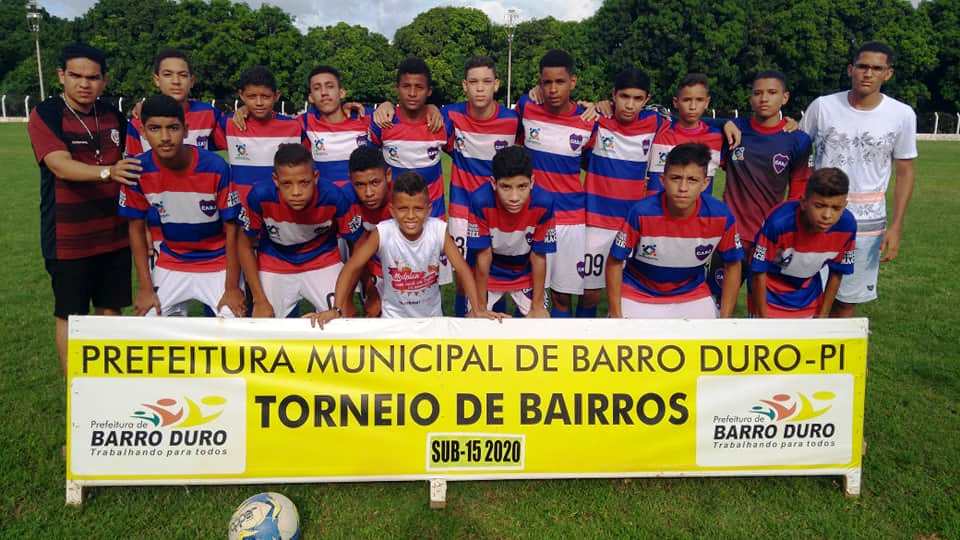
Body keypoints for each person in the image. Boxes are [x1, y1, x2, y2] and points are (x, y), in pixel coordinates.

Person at [373, 56, 520, 316]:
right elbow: (417, 113)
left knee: (496, 275)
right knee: (463, 278)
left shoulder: (513, 119)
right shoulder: (449, 116)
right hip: (462, 211)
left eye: (486, 81)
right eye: (474, 81)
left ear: (497, 84)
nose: (480, 87)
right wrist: (389, 104)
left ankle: (500, 337)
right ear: (465, 85)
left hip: (502, 211)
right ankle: (462, 333)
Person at [27, 43, 140, 372]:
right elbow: (59, 165)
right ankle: (74, 386)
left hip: (115, 233)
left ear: (104, 81)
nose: (84, 83)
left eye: (93, 77)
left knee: (112, 309)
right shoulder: (46, 113)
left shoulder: (111, 114)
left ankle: (108, 380)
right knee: (71, 314)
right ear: (61, 75)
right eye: (75, 75)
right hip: (67, 237)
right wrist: (108, 172)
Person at [799, 41, 917, 317]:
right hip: (816, 216)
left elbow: (905, 172)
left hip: (867, 223)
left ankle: (834, 355)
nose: (868, 73)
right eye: (862, 66)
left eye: (877, 68)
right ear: (851, 69)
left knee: (846, 300)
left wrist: (896, 226)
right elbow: (798, 152)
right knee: (805, 292)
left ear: (888, 74)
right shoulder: (823, 106)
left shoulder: (902, 115)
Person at [305, 172, 503, 324]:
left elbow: (462, 269)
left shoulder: (438, 230)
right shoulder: (382, 232)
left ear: (429, 209)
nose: (410, 216)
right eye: (402, 209)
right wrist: (337, 309)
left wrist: (477, 308)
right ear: (392, 210)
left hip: (432, 319)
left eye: (417, 209)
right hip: (393, 320)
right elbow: (352, 267)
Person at [118, 95, 244, 317]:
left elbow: (233, 230)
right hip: (172, 259)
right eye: (155, 128)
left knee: (232, 318)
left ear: (186, 130)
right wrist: (145, 288)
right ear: (144, 132)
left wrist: (232, 287)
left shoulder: (215, 167)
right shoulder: (137, 170)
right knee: (149, 318)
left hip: (217, 260)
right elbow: (135, 229)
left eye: (173, 128)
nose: (165, 137)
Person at [606, 143, 744, 319]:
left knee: (712, 341)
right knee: (623, 342)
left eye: (692, 180)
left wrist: (724, 319)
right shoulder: (641, 212)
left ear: (705, 183)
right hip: (639, 292)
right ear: (663, 180)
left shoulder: (721, 216)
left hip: (691, 294)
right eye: (676, 178)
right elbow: (614, 262)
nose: (683, 188)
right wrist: (617, 316)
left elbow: (733, 264)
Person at [709, 70, 812, 298]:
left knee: (762, 311)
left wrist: (789, 232)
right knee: (716, 305)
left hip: (769, 238)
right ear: (750, 98)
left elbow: (798, 192)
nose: (764, 98)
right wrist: (724, 122)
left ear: (785, 97)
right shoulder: (734, 130)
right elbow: (689, 119)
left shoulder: (798, 140)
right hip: (729, 234)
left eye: (772, 92)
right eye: (757, 93)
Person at [516, 49, 596, 318]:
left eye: (559, 82)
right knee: (527, 292)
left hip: (570, 218)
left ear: (573, 81)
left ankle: (566, 351)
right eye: (546, 82)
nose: (552, 89)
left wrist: (601, 104)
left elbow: (591, 160)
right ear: (539, 82)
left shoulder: (588, 121)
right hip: (532, 216)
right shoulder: (526, 107)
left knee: (562, 295)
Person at [238, 144, 362, 318]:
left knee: (343, 320)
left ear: (315, 177)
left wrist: (346, 298)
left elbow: (357, 246)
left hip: (322, 259)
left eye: (304, 182)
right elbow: (244, 245)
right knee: (264, 326)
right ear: (275, 180)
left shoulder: (334, 197)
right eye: (286, 184)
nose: (296, 192)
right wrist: (259, 299)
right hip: (275, 262)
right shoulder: (259, 196)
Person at [582, 67, 664, 315]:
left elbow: (692, 120)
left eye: (637, 98)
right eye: (624, 96)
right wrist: (595, 105)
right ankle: (584, 341)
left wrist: (727, 124)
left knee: (631, 294)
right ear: (613, 95)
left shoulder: (655, 123)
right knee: (590, 294)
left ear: (647, 100)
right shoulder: (597, 121)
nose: (629, 104)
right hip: (595, 221)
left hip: (632, 224)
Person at [368, 57, 452, 284]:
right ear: (397, 89)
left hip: (431, 219)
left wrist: (435, 108)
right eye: (406, 86)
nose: (412, 93)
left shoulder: (442, 123)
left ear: (429, 90)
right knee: (389, 285)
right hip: (393, 218)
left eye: (419, 87)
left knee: (429, 284)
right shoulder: (383, 122)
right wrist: (384, 104)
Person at [750, 168, 857, 318]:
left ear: (844, 206)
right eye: (819, 206)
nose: (827, 215)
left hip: (808, 297)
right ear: (804, 202)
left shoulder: (847, 226)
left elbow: (837, 272)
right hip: (769, 294)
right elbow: (758, 271)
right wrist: (763, 318)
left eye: (836, 208)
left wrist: (822, 316)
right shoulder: (778, 223)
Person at [468, 146, 555, 318]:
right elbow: (483, 256)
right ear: (493, 183)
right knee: (475, 323)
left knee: (541, 325)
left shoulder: (544, 202)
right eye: (506, 187)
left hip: (524, 274)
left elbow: (538, 256)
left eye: (522, 186)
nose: (514, 197)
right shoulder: (480, 201)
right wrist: (480, 307)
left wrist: (537, 306)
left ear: (532, 182)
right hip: (490, 275)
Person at [214, 65, 305, 210]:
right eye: (251, 97)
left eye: (266, 97)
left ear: (276, 96)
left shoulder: (294, 126)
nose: (259, 103)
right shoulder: (230, 123)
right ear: (242, 95)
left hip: (279, 210)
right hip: (241, 208)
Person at [646, 73, 723, 195]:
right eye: (687, 100)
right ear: (676, 102)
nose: (692, 106)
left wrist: (728, 124)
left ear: (707, 102)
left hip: (697, 212)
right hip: (656, 212)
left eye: (699, 100)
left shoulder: (717, 137)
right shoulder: (659, 128)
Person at [341, 145, 394, 316]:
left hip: (402, 266)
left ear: (388, 175)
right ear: (351, 180)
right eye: (360, 185)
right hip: (367, 263)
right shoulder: (346, 199)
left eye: (375, 183)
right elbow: (356, 250)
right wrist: (370, 291)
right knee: (373, 313)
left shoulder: (402, 200)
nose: (368, 192)